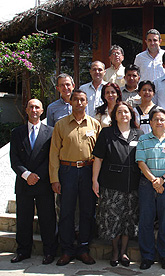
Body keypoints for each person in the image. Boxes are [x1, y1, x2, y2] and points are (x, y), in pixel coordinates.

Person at [49, 89, 101, 266]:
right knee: (66, 211)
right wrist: (54, 178)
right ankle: (67, 249)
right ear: (70, 102)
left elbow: (100, 155)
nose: (79, 103)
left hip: (87, 171)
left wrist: (97, 178)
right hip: (67, 171)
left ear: (87, 103)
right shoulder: (61, 125)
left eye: (82, 100)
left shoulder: (95, 125)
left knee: (87, 211)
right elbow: (54, 153)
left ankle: (84, 248)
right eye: (76, 100)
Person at [92, 101, 144, 267]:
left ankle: (124, 252)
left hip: (133, 184)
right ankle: (115, 251)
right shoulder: (107, 133)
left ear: (131, 115)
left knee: (129, 220)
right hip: (111, 184)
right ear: (115, 116)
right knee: (113, 220)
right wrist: (95, 180)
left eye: (126, 112)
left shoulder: (139, 134)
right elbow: (98, 158)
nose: (123, 115)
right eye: (120, 112)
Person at [9, 99, 57, 265]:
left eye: (37, 107)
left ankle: (49, 252)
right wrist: (26, 174)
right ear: (26, 110)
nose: (34, 109)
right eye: (31, 107)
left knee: (47, 219)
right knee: (23, 219)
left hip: (43, 183)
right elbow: (14, 159)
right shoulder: (17, 132)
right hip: (24, 183)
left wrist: (38, 175)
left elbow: (52, 158)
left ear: (42, 110)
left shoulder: (51, 132)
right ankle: (23, 251)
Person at [135, 108, 165, 270]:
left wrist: (162, 179)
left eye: (162, 120)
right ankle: (147, 256)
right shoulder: (143, 140)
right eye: (156, 119)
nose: (159, 122)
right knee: (146, 220)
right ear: (150, 122)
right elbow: (140, 162)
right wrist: (154, 180)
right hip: (147, 184)